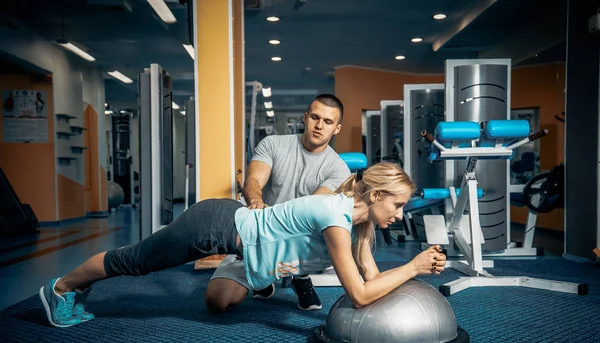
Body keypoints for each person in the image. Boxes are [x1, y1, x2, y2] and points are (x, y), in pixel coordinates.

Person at [39, 162, 447, 328]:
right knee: (135, 262)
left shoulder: (360, 226)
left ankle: (253, 276)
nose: (400, 213)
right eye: (397, 204)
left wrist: (413, 270)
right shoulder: (334, 217)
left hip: (243, 242)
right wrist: (412, 267)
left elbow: (372, 276)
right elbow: (359, 295)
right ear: (375, 197)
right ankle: (59, 288)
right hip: (213, 226)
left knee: (219, 303)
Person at [205, 94, 351, 312]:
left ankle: (299, 276)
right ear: (305, 117)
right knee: (217, 301)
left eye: (328, 122)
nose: (319, 126)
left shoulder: (338, 169)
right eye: (315, 117)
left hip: (296, 242)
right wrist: (256, 201)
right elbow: (253, 180)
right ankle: (264, 276)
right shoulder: (273, 144)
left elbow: (311, 209)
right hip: (259, 234)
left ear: (337, 128)